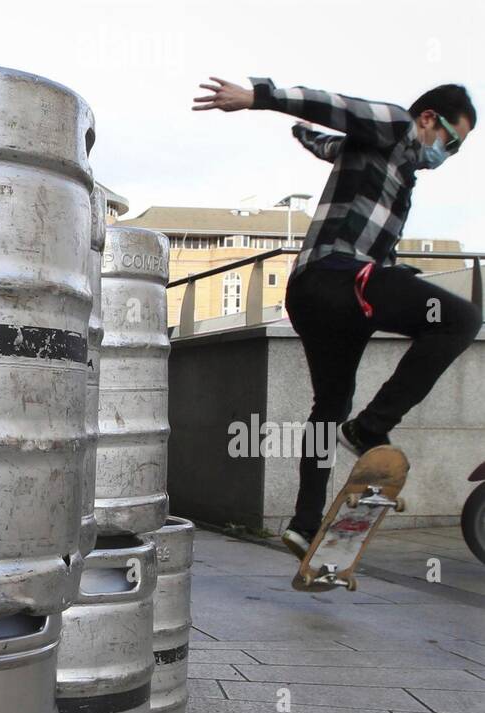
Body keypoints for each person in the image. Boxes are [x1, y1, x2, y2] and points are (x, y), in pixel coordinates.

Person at [194, 76, 481, 557]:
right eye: (451, 143)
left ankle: (304, 524)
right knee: (460, 319)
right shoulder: (394, 126)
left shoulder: (393, 163)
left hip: (317, 298)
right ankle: (371, 427)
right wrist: (259, 97)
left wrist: (304, 136)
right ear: (429, 119)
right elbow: (338, 107)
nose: (446, 156)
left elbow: (330, 141)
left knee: (330, 407)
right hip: (338, 277)